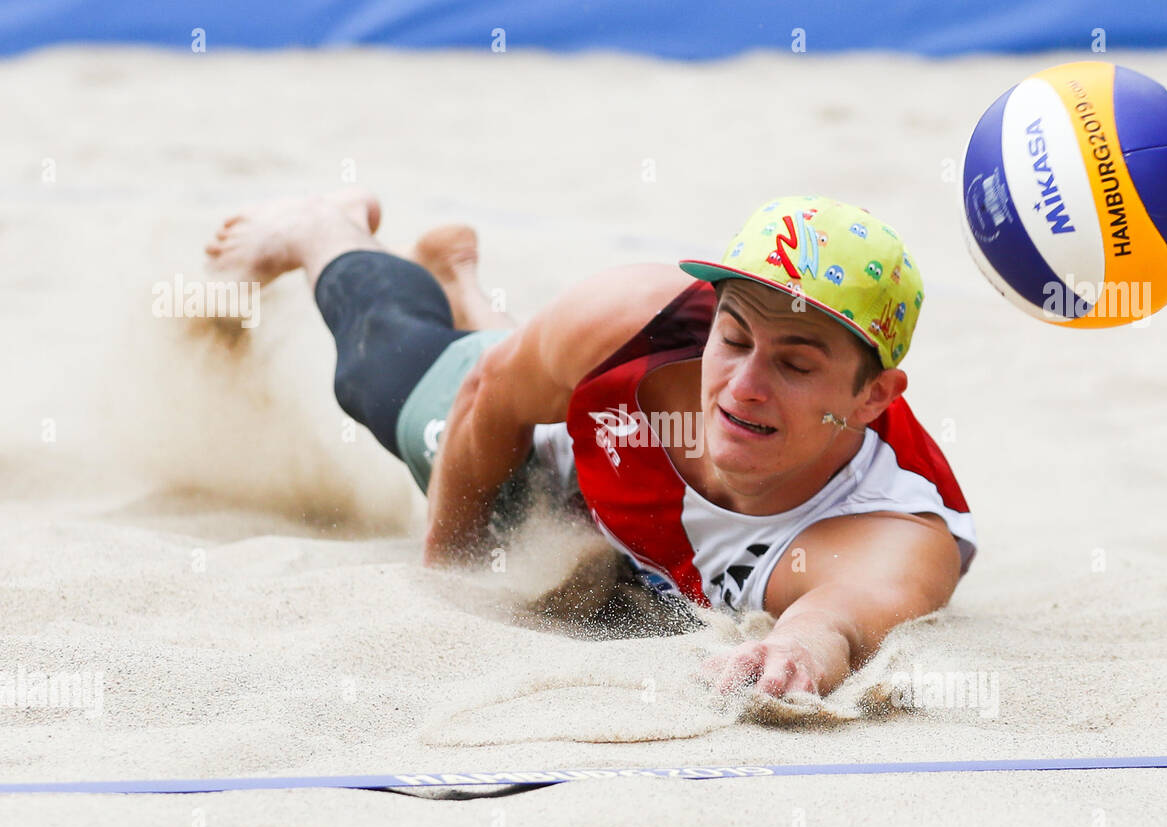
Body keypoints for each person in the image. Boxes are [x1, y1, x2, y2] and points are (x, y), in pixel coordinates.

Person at [205, 190, 977, 699]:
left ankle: (462, 281)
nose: (745, 385)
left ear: (873, 398)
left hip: (630, 537)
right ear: (712, 317)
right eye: (735, 338)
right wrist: (451, 580)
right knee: (383, 382)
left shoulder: (896, 534)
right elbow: (491, 397)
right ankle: (323, 231)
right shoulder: (627, 319)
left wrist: (796, 656)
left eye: (796, 364)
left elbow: (837, 617)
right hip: (566, 468)